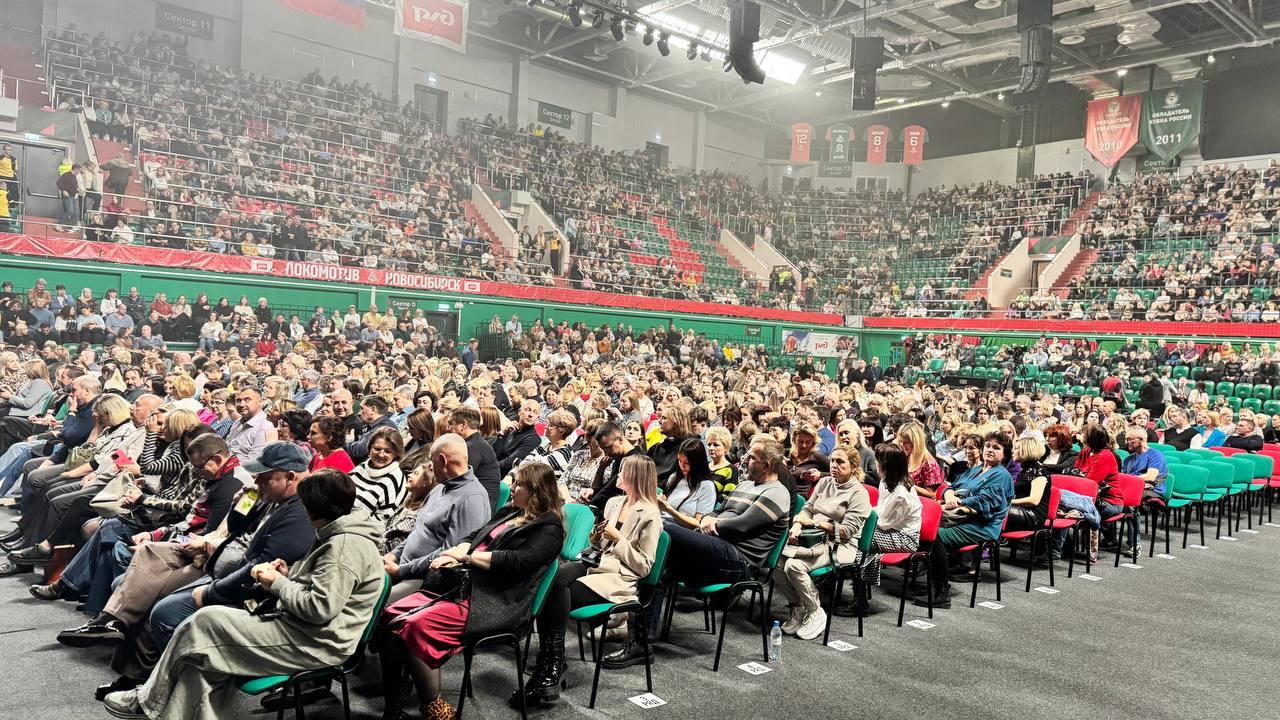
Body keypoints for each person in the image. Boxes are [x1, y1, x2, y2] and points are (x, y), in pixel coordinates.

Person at [101, 469, 385, 720]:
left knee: (205, 621)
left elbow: (320, 608)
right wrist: (289, 576)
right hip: (305, 631)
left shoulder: (343, 547)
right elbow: (322, 589)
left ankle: (147, 698)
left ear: (312, 508)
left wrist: (277, 583)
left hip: (317, 643)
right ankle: (156, 705)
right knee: (201, 661)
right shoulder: (336, 534)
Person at [377, 462, 565, 720]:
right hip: (464, 587)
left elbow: (516, 563)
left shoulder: (549, 527)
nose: (512, 488)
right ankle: (394, 703)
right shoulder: (511, 511)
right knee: (390, 616)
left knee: (415, 626)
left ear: (536, 491)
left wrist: (468, 557)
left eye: (519, 484)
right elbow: (475, 536)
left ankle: (436, 709)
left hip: (494, 601)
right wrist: (458, 550)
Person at [513, 455, 661, 707]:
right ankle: (553, 662)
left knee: (557, 590)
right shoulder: (615, 503)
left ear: (635, 477)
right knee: (551, 579)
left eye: (623, 471)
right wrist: (597, 537)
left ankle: (551, 664)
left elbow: (644, 567)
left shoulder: (650, 515)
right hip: (595, 565)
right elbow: (600, 546)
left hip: (618, 578)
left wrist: (618, 540)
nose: (618, 475)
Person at [633, 434, 790, 667]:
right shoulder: (745, 485)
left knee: (665, 529)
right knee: (660, 563)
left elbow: (743, 525)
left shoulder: (777, 493)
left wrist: (714, 524)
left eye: (751, 457)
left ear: (766, 465)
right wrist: (710, 519)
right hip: (716, 550)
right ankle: (640, 640)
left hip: (739, 561)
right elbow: (718, 510)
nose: (745, 460)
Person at [773, 446, 871, 640]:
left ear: (853, 466)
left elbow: (847, 532)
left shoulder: (859, 493)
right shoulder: (825, 482)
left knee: (793, 566)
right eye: (832, 460)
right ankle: (799, 606)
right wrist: (798, 524)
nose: (834, 465)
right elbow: (808, 509)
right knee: (775, 562)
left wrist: (817, 523)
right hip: (813, 538)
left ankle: (816, 611)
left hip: (841, 545)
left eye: (840, 462)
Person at [382, 433, 491, 598]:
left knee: (372, 605)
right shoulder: (440, 488)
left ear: (442, 460)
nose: (430, 466)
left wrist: (401, 571)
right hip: (402, 568)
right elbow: (417, 532)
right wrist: (394, 555)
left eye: (432, 461)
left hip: (427, 579)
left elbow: (449, 554)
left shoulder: (472, 500)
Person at [917, 431, 1013, 610]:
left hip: (982, 525)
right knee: (923, 530)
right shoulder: (975, 470)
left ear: (1004, 454)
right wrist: (950, 494)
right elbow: (949, 485)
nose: (990, 450)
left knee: (933, 536)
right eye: (988, 446)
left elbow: (986, 501)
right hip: (961, 518)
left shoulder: (1002, 475)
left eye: (996, 448)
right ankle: (932, 583)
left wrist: (959, 501)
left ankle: (941, 591)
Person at [850, 443, 921, 614]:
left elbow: (882, 521)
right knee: (857, 548)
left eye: (878, 461)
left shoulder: (901, 493)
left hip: (904, 538)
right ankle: (859, 600)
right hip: (888, 531)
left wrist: (860, 517)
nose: (876, 464)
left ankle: (860, 602)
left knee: (856, 539)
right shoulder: (886, 481)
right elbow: (879, 510)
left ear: (887, 465)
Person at [446, 406, 501, 507]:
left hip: (478, 508)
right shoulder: (475, 443)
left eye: (450, 424)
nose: (447, 428)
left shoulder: (473, 447)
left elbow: (457, 478)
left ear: (463, 425)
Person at [657, 437, 718, 528]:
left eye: (687, 462)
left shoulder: (707, 486)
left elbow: (698, 524)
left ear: (697, 463)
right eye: (679, 461)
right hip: (662, 521)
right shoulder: (674, 478)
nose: (682, 466)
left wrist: (669, 509)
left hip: (679, 530)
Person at [349, 426, 406, 523]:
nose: (381, 454)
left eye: (387, 451)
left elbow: (381, 522)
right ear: (370, 448)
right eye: (377, 448)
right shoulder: (362, 467)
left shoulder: (395, 479)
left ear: (396, 454)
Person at [1005, 437, 1052, 533]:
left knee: (995, 510)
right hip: (1021, 509)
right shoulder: (1024, 469)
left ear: (1026, 450)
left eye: (1016, 448)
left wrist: (1009, 502)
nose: (1013, 451)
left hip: (1033, 515)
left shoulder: (1039, 471)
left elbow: (1033, 500)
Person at [897, 420, 945, 499]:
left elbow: (932, 494)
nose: (902, 445)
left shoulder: (929, 463)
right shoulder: (903, 456)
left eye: (906, 442)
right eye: (900, 441)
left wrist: (906, 484)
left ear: (916, 442)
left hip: (921, 503)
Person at [493, 399, 541, 475]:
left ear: (537, 418)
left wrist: (488, 468)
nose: (531, 415)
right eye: (528, 410)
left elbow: (510, 462)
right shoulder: (511, 430)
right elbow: (494, 453)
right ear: (519, 412)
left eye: (535, 412)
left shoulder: (534, 439)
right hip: (494, 470)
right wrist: (501, 434)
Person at [787, 422, 830, 497]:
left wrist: (820, 474)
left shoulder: (817, 457)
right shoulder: (786, 455)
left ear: (813, 442)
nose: (804, 445)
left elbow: (837, 474)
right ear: (794, 439)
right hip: (782, 494)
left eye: (808, 442)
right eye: (800, 441)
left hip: (800, 499)